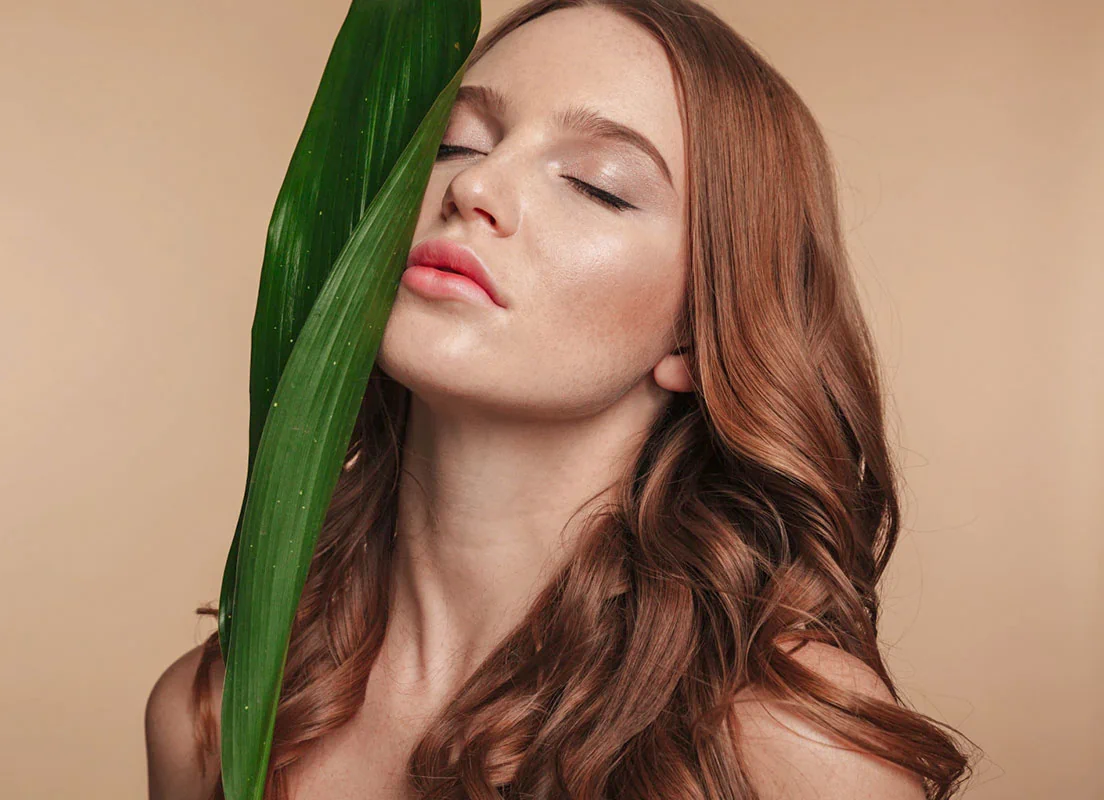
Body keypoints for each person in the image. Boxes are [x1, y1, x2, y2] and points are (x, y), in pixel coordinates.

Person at [145, 1, 977, 798]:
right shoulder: (214, 714)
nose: (476, 187)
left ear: (696, 334)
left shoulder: (791, 744)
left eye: (596, 185)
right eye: (454, 144)